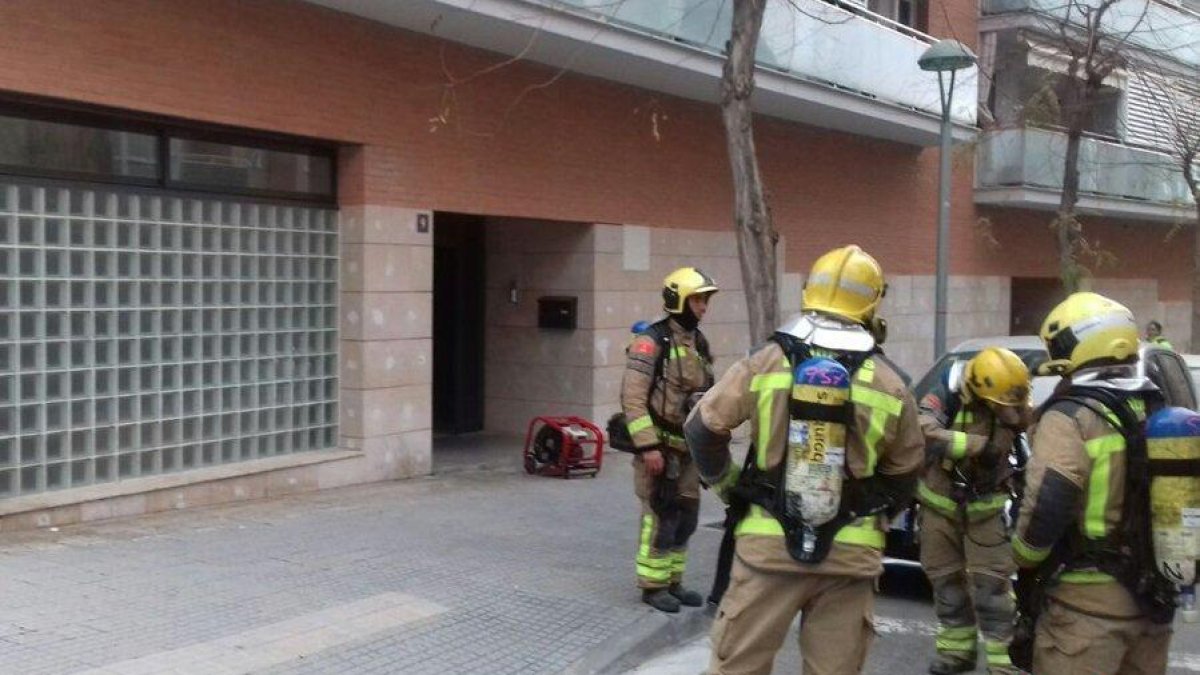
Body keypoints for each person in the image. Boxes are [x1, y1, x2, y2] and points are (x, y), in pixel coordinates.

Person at [684, 245, 924, 674]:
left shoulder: (767, 361)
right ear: (872, 304)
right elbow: (906, 472)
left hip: (766, 551)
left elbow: (701, 429)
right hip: (850, 559)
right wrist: (873, 514)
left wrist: (730, 487)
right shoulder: (891, 383)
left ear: (809, 292)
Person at [1012, 292, 1174, 674]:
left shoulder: (1071, 415)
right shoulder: (1157, 407)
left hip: (1085, 612)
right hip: (1152, 605)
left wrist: (1021, 559)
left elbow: (1050, 502)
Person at [917, 347, 1031, 675]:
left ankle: (1005, 661)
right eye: (1000, 403)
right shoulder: (947, 392)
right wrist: (976, 446)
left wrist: (1016, 415)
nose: (1006, 409)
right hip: (939, 505)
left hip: (987, 507)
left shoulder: (1008, 397)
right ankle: (957, 652)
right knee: (945, 581)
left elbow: (1027, 423)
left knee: (992, 587)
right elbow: (923, 431)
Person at [621, 267, 717, 612]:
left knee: (687, 516)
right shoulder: (650, 342)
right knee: (660, 516)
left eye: (705, 300)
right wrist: (648, 446)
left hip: (688, 450)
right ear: (679, 301)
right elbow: (632, 399)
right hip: (659, 450)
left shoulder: (698, 342)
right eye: (697, 300)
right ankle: (653, 585)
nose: (703, 307)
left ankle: (674, 581)